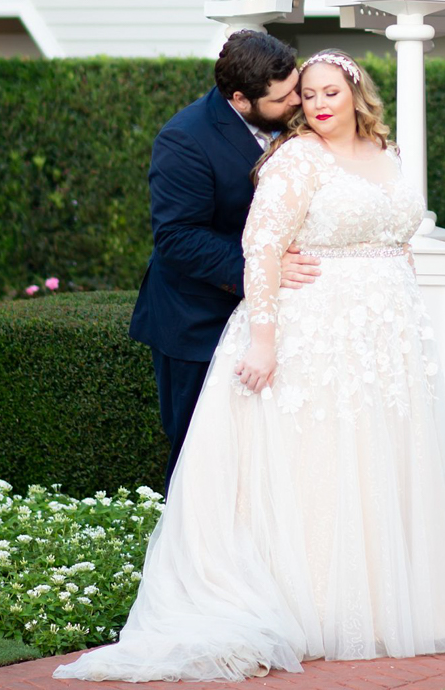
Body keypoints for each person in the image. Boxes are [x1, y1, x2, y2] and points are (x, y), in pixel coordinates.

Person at [54, 51, 445, 681]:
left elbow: (399, 237)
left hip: (382, 342)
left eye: (327, 92)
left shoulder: (387, 151)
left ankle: (380, 606)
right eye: (305, 94)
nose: (314, 104)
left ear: (356, 93)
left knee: (372, 463)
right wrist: (263, 341)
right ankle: (313, 609)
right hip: (311, 330)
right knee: (316, 467)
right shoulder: (293, 158)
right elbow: (258, 247)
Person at [128, 29, 319, 494]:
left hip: (279, 320)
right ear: (240, 98)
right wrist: (262, 271)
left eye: (296, 85)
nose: (299, 99)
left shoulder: (298, 124)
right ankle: (189, 558)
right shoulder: (184, 139)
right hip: (196, 321)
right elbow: (177, 237)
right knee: (199, 453)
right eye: (285, 95)